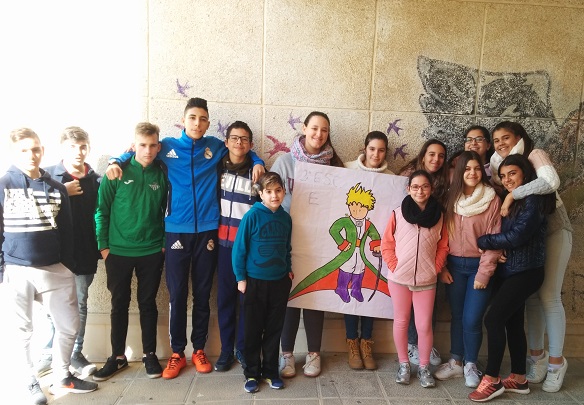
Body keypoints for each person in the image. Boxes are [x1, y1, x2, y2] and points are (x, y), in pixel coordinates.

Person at [106, 97, 264, 378]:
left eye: (203, 119)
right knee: (177, 294)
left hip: (208, 231)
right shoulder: (166, 146)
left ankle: (199, 349)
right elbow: (137, 149)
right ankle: (177, 352)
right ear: (183, 120)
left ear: (208, 123)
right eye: (192, 118)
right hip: (176, 230)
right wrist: (116, 160)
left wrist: (258, 160)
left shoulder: (215, 146)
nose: (197, 123)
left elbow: (242, 149)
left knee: (202, 294)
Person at [0, 128, 98, 405]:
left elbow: (66, 230)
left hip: (56, 268)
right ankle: (29, 380)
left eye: (35, 149)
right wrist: (2, 270)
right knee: (23, 331)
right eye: (24, 150)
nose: (31, 155)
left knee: (69, 324)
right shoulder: (4, 184)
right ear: (14, 153)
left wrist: (67, 265)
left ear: (42, 150)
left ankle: (62, 375)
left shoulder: (55, 188)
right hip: (17, 269)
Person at [490, 121, 572, 392]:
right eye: (496, 140)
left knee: (549, 296)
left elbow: (550, 181)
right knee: (532, 299)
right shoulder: (500, 167)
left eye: (506, 138)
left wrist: (512, 195)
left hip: (554, 231)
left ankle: (557, 363)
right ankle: (537, 359)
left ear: (519, 137)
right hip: (527, 241)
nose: (501, 143)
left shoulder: (535, 155)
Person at [469, 154, 555, 402]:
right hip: (510, 271)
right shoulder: (515, 200)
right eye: (503, 176)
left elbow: (517, 236)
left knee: (493, 319)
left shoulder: (533, 200)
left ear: (525, 174)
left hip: (526, 272)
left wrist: (485, 241)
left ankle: (492, 380)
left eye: (513, 174)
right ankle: (519, 378)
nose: (507, 180)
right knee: (512, 323)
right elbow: (508, 236)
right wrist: (500, 250)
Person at [93, 122, 168, 381]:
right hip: (118, 252)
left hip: (151, 250)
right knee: (119, 304)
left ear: (158, 147)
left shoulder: (162, 174)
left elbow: (166, 211)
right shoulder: (116, 172)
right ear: (133, 146)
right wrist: (104, 247)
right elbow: (101, 210)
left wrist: (162, 244)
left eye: (152, 145)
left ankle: (149, 354)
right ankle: (117, 357)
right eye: (142, 145)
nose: (147, 150)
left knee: (148, 303)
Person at [272, 111, 344, 378]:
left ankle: (314, 354)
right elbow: (270, 199)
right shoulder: (284, 162)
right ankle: (287, 355)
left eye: (324, 130)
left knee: (315, 295)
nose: (319, 134)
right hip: (288, 242)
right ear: (304, 128)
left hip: (319, 243)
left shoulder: (334, 166)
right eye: (314, 128)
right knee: (289, 297)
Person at [36, 126, 101, 379]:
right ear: (62, 149)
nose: (78, 152)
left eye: (83, 146)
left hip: (84, 253)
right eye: (72, 147)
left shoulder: (95, 180)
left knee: (79, 304)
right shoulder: (47, 177)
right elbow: (36, 206)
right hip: (53, 255)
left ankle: (75, 353)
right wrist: (63, 190)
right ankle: (48, 353)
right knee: (51, 307)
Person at [434, 151, 502, 388]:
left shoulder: (492, 199)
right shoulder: (451, 199)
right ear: (460, 172)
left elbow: (494, 239)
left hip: (478, 267)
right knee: (457, 315)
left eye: (476, 168)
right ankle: (456, 361)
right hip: (453, 266)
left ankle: (471, 364)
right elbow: (441, 235)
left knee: (472, 318)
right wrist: (442, 267)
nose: (472, 173)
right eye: (467, 169)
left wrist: (484, 273)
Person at [380, 170, 449, 388]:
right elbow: (386, 244)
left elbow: (443, 246)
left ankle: (424, 367)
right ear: (408, 189)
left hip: (427, 280)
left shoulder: (439, 216)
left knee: (424, 325)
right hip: (399, 278)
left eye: (425, 186)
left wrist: (435, 268)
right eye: (415, 187)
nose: (420, 191)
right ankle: (404, 364)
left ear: (431, 189)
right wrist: (395, 265)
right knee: (401, 322)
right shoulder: (398, 214)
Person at [232, 172, 293, 393]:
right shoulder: (252, 216)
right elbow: (239, 249)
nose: (274, 195)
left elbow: (286, 247)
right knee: (252, 330)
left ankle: (270, 372)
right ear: (261, 194)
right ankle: (251, 373)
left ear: (284, 192)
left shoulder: (286, 218)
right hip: (254, 282)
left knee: (274, 329)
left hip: (279, 283)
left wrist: (288, 270)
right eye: (269, 191)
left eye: (278, 190)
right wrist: (241, 278)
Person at [342, 130, 394, 370]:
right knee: (350, 291)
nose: (376, 154)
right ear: (364, 149)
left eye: (381, 150)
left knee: (369, 293)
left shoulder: (392, 179)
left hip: (374, 248)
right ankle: (352, 342)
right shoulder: (347, 170)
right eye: (372, 149)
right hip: (350, 246)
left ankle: (366, 343)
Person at [398, 139, 448, 366]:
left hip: (431, 252)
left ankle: (425, 345)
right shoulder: (407, 178)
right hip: (406, 257)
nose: (436, 159)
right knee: (406, 308)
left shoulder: (445, 183)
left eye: (441, 155)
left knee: (429, 306)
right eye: (431, 154)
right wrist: (394, 261)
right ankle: (411, 345)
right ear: (423, 155)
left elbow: (444, 234)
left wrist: (437, 266)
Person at [215, 121, 259, 371]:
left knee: (246, 301)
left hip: (247, 249)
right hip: (222, 245)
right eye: (234, 138)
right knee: (225, 300)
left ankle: (242, 349)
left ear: (251, 144)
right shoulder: (217, 167)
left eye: (244, 139)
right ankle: (225, 350)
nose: (239, 143)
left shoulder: (258, 172)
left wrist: (258, 161)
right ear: (226, 142)